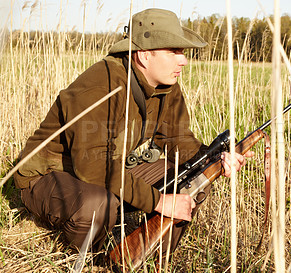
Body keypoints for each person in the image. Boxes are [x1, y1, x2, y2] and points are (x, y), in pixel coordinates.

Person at [13, 8, 253, 255]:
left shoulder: (166, 87)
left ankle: (149, 257)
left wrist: (214, 159)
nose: (183, 60)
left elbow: (178, 139)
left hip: (106, 166)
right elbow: (92, 166)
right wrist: (159, 201)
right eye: (174, 51)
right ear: (144, 55)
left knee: (193, 181)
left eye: (182, 52)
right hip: (50, 174)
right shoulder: (101, 84)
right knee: (99, 205)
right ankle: (98, 261)